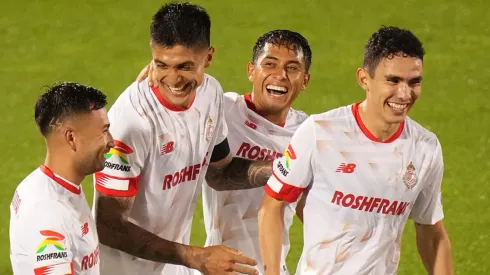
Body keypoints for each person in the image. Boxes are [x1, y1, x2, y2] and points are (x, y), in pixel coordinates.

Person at [93, 2, 271, 275]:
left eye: (185, 66)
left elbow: (218, 172)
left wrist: (280, 170)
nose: (173, 79)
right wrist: (195, 257)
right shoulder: (132, 122)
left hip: (174, 267)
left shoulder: (211, 93)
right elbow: (109, 226)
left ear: (208, 58)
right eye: (161, 65)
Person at [259, 26, 454, 275]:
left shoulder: (425, 147)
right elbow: (273, 205)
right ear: (364, 79)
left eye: (414, 82)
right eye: (393, 80)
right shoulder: (321, 132)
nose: (404, 94)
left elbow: (432, 232)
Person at [138, 29, 312, 275]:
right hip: (223, 266)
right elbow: (173, 90)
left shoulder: (307, 133)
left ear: (305, 80)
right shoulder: (223, 110)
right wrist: (155, 71)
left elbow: (315, 207)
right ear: (251, 70)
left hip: (274, 268)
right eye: (269, 64)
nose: (280, 75)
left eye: (292, 68)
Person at [9, 82, 113, 275]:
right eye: (104, 131)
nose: (111, 141)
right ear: (71, 138)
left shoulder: (53, 186)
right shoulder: (46, 211)